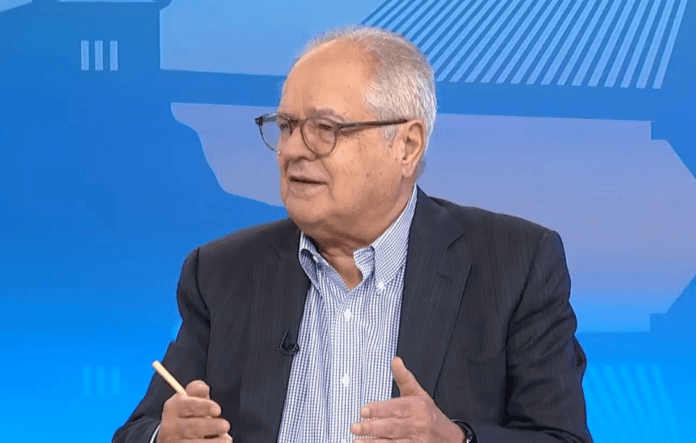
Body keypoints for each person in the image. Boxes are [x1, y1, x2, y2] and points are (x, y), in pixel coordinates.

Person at [113, 26, 592, 443]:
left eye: (325, 128)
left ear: (406, 146)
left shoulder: (516, 264)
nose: (292, 150)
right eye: (286, 126)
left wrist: (458, 439)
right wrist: (165, 437)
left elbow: (561, 437)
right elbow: (139, 430)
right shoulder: (221, 272)